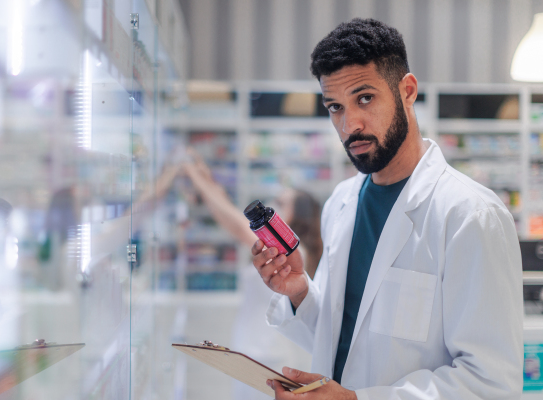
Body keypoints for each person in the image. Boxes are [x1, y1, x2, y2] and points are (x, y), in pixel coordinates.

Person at [253, 19, 523, 399]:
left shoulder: (470, 215)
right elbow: (346, 338)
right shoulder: (341, 203)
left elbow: (491, 382)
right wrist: (299, 292)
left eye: (365, 98)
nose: (350, 125)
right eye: (335, 107)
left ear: (407, 91)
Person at [183, 151, 322, 399]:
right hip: (254, 349)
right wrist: (208, 182)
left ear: (297, 217)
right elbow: (232, 215)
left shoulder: (291, 251)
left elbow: (235, 223)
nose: (272, 209)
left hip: (267, 355)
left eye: (281, 204)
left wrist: (199, 181)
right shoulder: (283, 249)